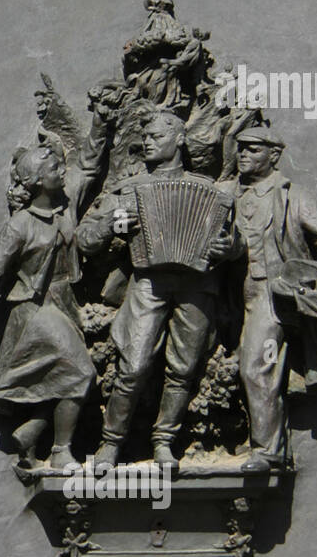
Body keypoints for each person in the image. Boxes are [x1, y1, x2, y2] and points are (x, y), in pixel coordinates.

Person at [0, 104, 115, 478]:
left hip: (64, 303)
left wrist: (100, 124)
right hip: (33, 312)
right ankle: (60, 452)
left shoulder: (66, 202)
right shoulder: (21, 225)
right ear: (39, 181)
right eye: (56, 168)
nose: (64, 170)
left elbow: (89, 165)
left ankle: (30, 436)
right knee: (80, 371)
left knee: (58, 377)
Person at [76, 111, 239, 469]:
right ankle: (111, 443)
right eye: (144, 138)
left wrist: (230, 248)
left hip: (198, 283)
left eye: (155, 137)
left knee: (183, 368)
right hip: (149, 282)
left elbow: (234, 242)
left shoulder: (211, 191)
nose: (146, 143)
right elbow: (85, 239)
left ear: (179, 140)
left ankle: (164, 441)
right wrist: (113, 225)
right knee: (133, 365)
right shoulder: (127, 189)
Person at [220, 126, 317, 471]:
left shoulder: (293, 196)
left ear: (274, 155)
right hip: (225, 296)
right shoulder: (225, 192)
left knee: (257, 365)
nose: (243, 154)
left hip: (272, 298)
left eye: (253, 149)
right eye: (240, 148)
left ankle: (268, 450)